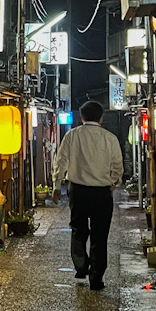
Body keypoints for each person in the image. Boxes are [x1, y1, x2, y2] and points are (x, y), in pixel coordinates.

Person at [52, 100, 123, 291]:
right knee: (100, 236)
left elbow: (61, 162)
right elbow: (117, 166)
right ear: (101, 118)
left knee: (78, 230)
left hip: (78, 191)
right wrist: (113, 182)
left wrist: (57, 185)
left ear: (81, 117)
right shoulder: (110, 138)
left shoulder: (72, 136)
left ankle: (81, 267)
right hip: (101, 193)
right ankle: (96, 278)